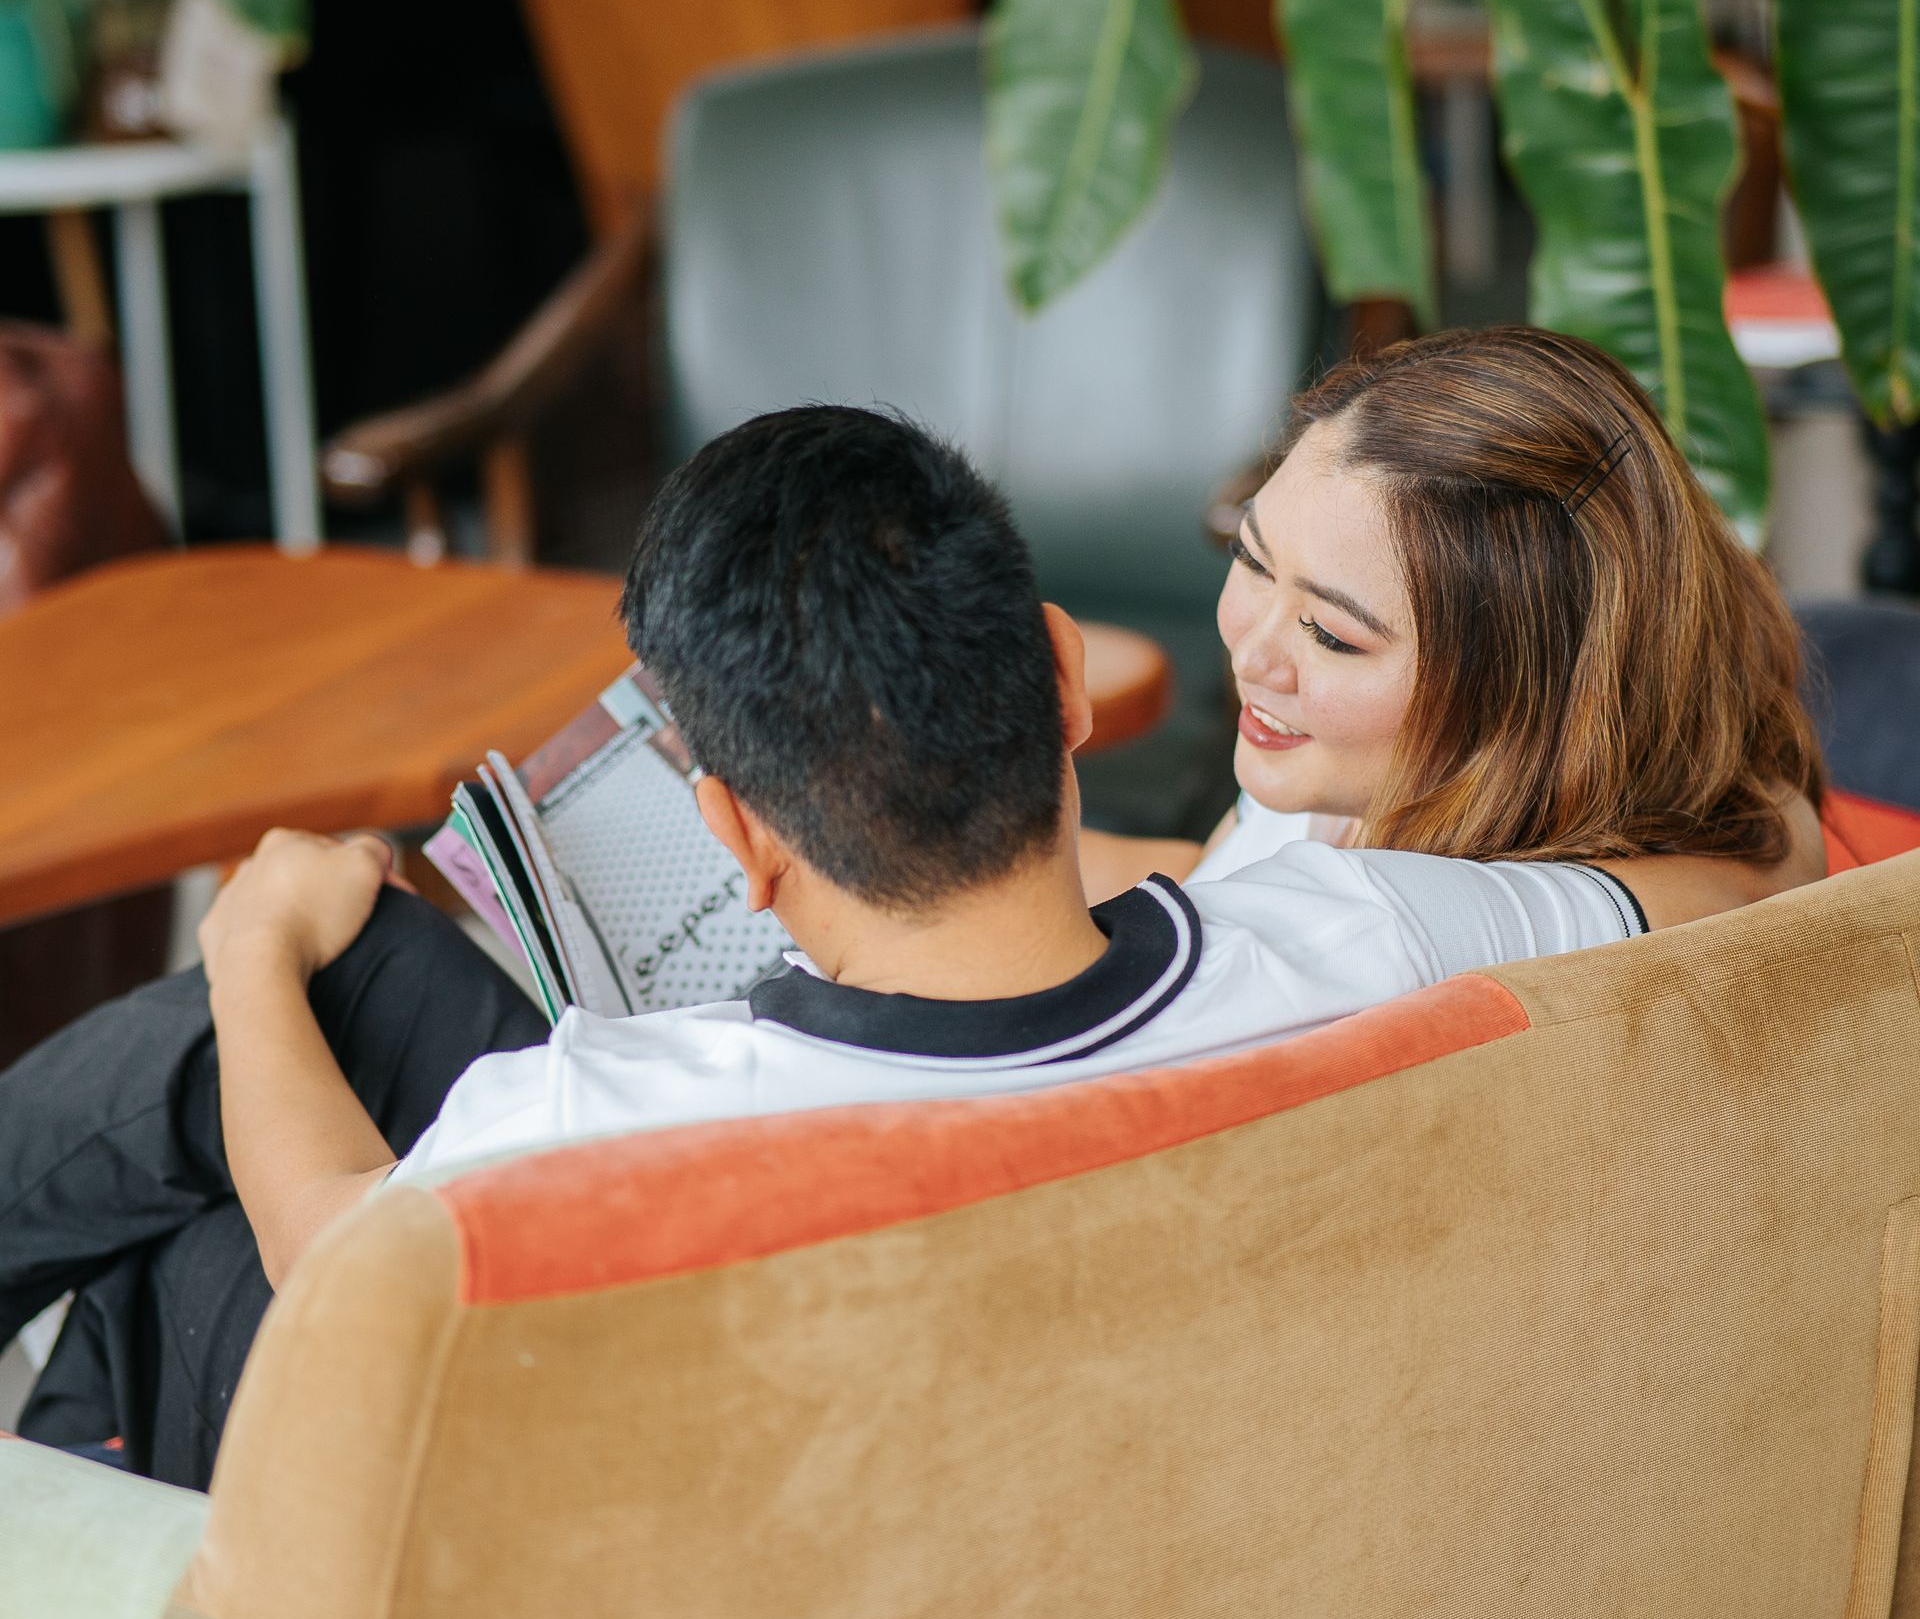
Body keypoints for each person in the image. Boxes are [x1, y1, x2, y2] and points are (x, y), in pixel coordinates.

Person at [0, 370, 1821, 1488]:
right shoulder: (1389, 933)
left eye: (1333, 630)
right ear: (1065, 682)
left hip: (677, 1377)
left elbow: (340, 1268)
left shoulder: (615, 1110)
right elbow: (1761, 881)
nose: (1260, 642)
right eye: (1249, 558)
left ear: (734, 835)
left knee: (227, 1145)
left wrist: (245, 947)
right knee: (265, 1112)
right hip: (1049, 1089)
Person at [1080, 325, 1828, 910]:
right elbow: (1214, 875)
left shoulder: (1396, 931)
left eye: (1333, 636)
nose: (1252, 658)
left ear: (1529, 690)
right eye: (1252, 559)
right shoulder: (1358, 774)